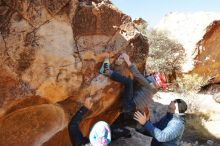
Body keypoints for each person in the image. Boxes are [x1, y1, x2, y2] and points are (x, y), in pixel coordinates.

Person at [99, 53, 167, 140]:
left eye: (153, 76)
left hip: (130, 105)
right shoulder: (152, 90)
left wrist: (127, 60)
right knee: (116, 123)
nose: (151, 75)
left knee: (129, 82)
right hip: (132, 108)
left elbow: (138, 75)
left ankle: (106, 71)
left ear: (155, 81)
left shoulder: (149, 86)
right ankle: (113, 133)